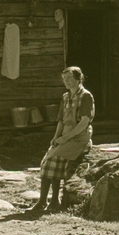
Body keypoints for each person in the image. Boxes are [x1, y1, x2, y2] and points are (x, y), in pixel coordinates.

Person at [31, 66, 93, 214]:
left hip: (79, 137)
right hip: (65, 136)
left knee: (52, 161)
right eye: (64, 79)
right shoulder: (66, 97)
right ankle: (45, 201)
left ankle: (51, 201)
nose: (66, 82)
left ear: (79, 79)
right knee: (47, 162)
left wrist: (65, 138)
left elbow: (84, 122)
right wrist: (56, 137)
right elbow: (61, 120)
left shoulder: (86, 96)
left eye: (70, 79)